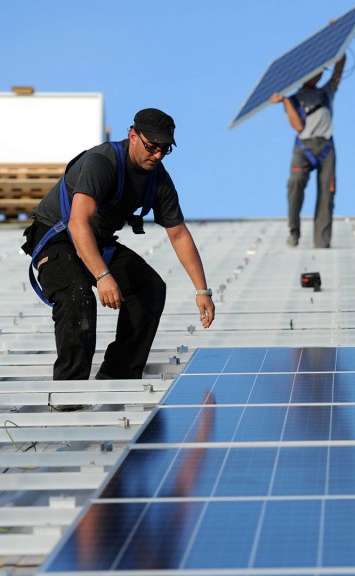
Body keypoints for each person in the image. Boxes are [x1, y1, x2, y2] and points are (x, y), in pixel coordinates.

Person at [22, 108, 215, 384]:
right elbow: (77, 224)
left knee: (150, 287)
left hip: (96, 240)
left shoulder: (158, 179)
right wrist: (102, 276)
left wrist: (201, 290)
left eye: (164, 150)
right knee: (78, 295)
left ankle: (117, 376)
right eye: (152, 147)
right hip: (57, 237)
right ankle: (69, 392)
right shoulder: (102, 162)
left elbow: (179, 234)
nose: (157, 155)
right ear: (133, 135)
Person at [269, 55, 345, 248]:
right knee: (295, 185)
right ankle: (294, 231)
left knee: (327, 195)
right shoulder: (293, 99)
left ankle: (322, 241)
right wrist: (285, 101)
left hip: (326, 147)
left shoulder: (326, 92)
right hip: (303, 148)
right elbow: (298, 126)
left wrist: (341, 43)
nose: (318, 74)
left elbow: (338, 71)